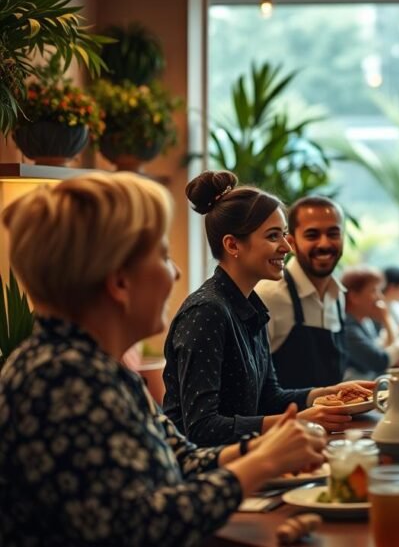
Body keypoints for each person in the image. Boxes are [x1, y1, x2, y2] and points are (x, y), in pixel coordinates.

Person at [0, 173, 327, 545]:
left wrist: (264, 448)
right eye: (164, 255)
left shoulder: (94, 368)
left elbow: (181, 459)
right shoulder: (62, 379)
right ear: (120, 283)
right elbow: (141, 527)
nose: (176, 272)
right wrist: (263, 462)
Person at [163, 171, 371, 445]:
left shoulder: (250, 306)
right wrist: (299, 420)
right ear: (232, 244)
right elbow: (201, 428)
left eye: (284, 235)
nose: (286, 246)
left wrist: (330, 393)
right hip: (207, 475)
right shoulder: (206, 311)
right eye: (274, 236)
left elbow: (270, 397)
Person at [255, 196, 347, 389]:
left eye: (333, 234)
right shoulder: (268, 296)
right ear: (292, 243)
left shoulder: (338, 296)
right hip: (285, 419)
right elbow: (254, 388)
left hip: (335, 418)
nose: (324, 244)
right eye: (312, 235)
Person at [341, 267, 399, 381]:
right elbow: (380, 362)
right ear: (354, 297)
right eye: (374, 291)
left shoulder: (365, 322)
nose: (380, 297)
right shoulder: (348, 328)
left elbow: (384, 348)